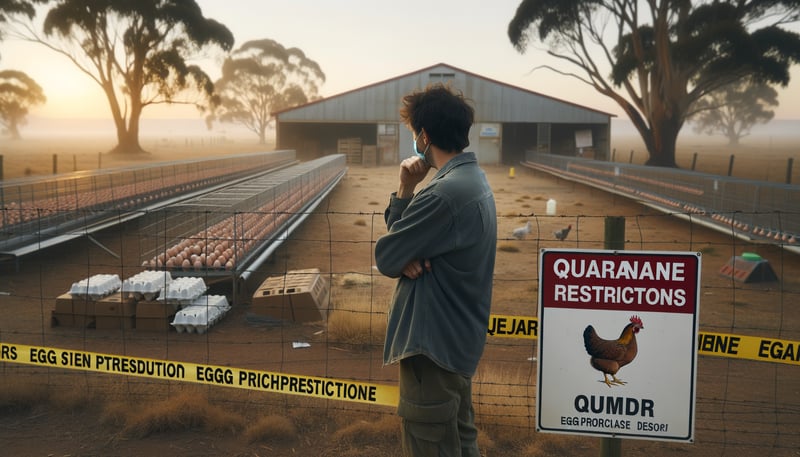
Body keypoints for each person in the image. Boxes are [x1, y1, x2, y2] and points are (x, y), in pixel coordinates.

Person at [374, 83, 497, 457]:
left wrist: (405, 190)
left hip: (432, 351)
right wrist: (408, 196)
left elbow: (387, 255)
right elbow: (401, 250)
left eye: (415, 135)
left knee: (430, 444)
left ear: (424, 136)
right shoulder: (473, 182)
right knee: (459, 442)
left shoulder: (443, 195)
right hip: (457, 343)